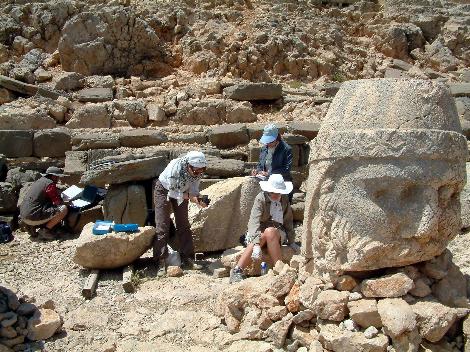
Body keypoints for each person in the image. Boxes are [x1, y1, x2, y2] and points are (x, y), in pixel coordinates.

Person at [230, 174, 299, 283]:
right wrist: (256, 244)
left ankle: (279, 269)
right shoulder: (260, 198)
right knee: (262, 236)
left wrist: (292, 241)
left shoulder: (284, 199)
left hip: (277, 231)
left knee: (270, 231)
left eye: (278, 192)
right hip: (261, 230)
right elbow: (254, 221)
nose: (276, 195)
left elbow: (288, 221)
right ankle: (238, 270)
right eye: (273, 192)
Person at [153, 150, 208, 277]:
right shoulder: (175, 168)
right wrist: (192, 198)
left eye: (202, 170)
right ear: (188, 165)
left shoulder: (197, 171)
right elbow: (172, 193)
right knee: (162, 225)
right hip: (164, 190)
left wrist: (199, 199)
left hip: (183, 191)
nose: (199, 173)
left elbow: (194, 188)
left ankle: (187, 257)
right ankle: (160, 260)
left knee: (183, 224)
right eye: (196, 170)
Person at [19, 166, 69, 240]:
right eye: (57, 177)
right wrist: (67, 201)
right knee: (63, 209)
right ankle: (45, 231)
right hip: (32, 218)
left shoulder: (39, 181)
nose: (58, 179)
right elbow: (57, 202)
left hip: (23, 216)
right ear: (53, 176)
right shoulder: (50, 184)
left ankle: (32, 227)